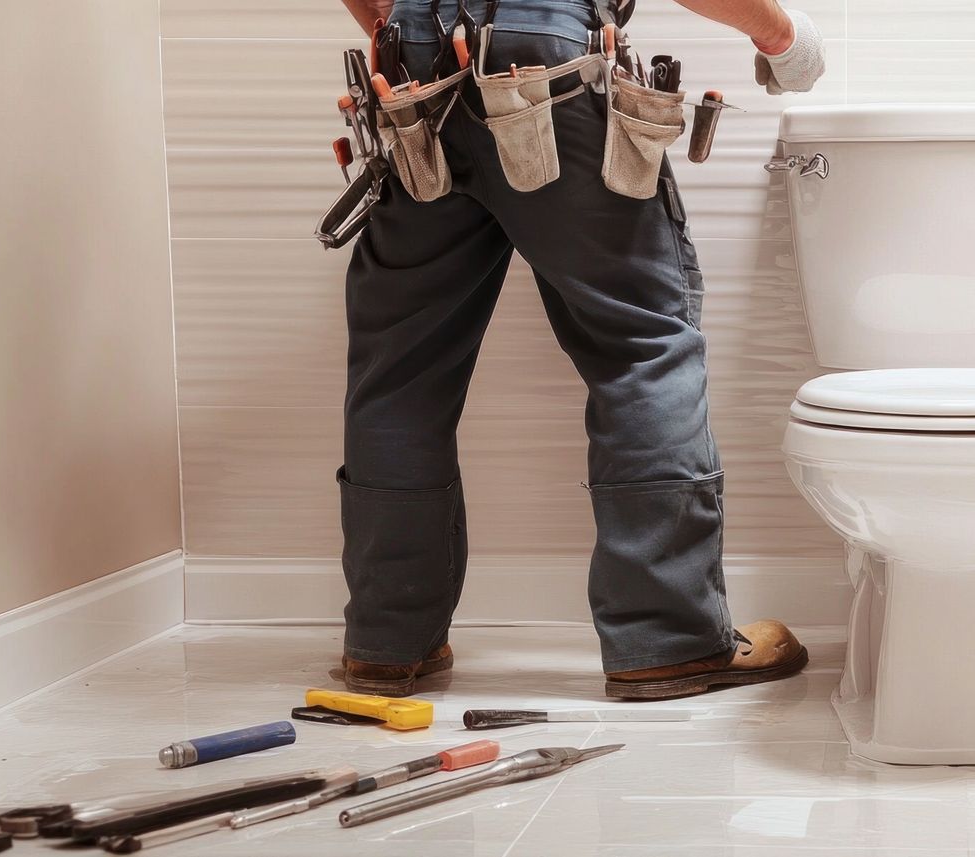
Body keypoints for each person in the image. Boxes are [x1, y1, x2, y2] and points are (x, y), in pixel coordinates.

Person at [331, 0, 825, 698]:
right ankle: (668, 641)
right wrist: (782, 35)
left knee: (400, 368)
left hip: (413, 64)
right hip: (548, 54)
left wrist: (407, 31)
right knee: (641, 343)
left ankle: (388, 640)